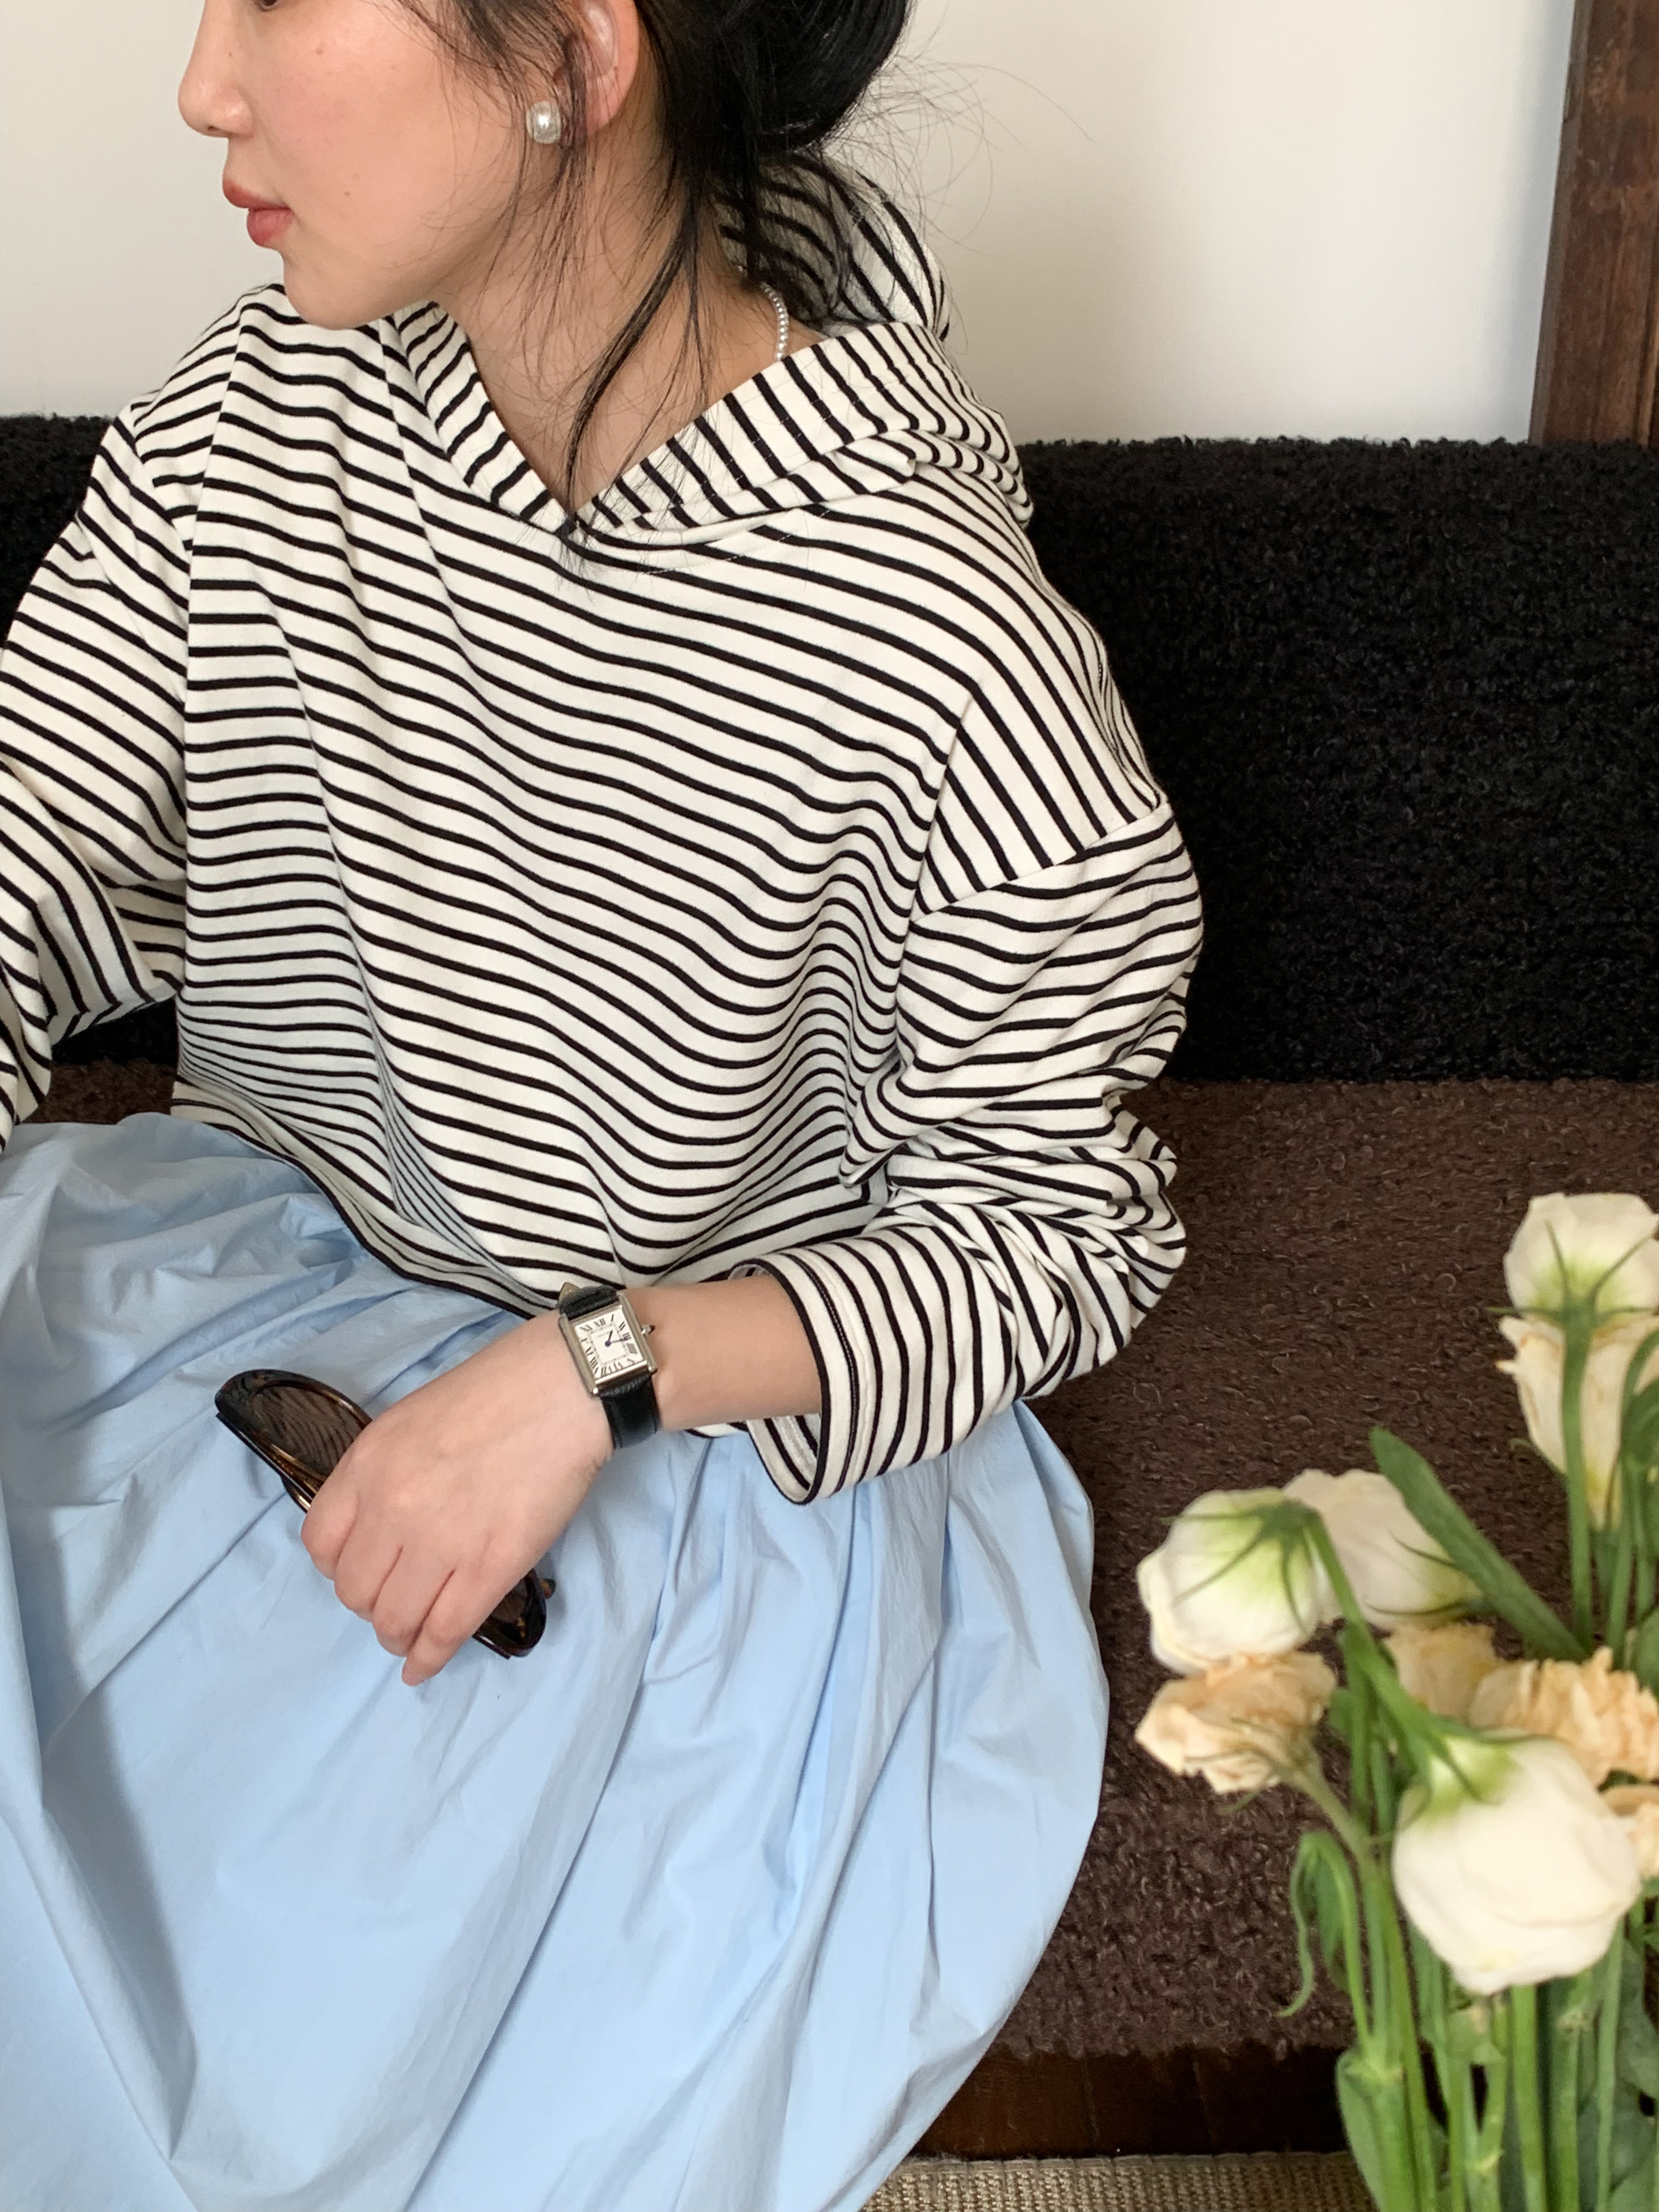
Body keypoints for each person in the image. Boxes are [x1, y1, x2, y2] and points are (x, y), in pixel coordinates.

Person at [0, 1, 1203, 2206]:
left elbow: (1061, 1229)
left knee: (261, 2028)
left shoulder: (934, 621)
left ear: (577, 44)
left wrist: (596, 1374)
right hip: (238, 1287)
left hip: (694, 1438)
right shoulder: (250, 417)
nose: (203, 84)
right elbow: (23, 859)